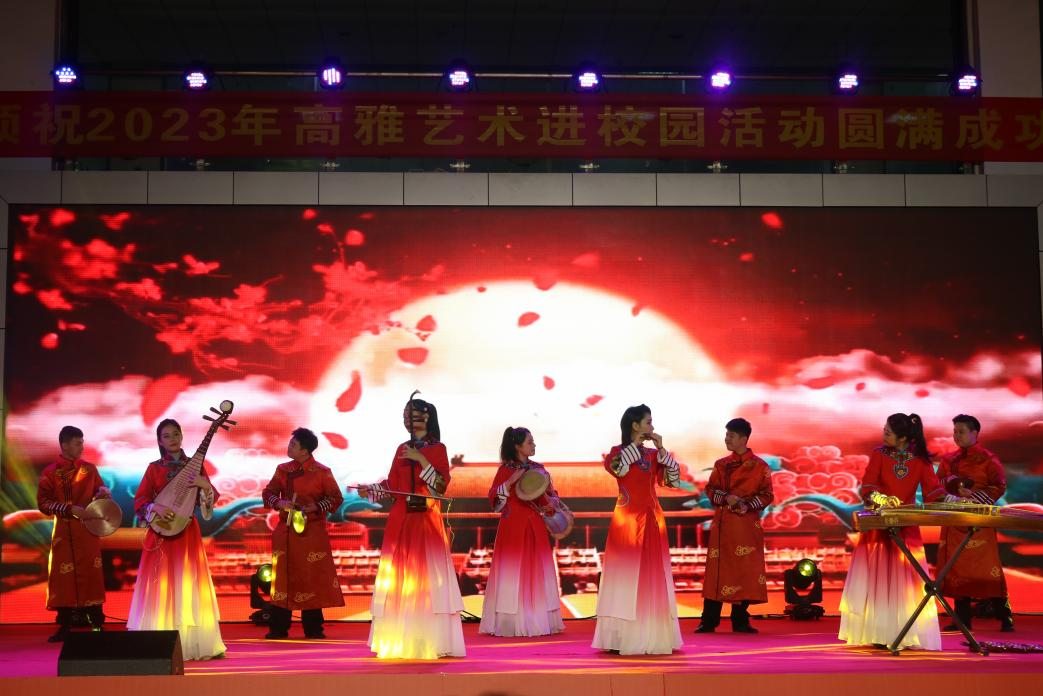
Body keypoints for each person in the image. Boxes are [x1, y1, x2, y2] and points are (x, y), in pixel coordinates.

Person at [359, 397, 465, 658]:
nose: (406, 419)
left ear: (426, 417)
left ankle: (428, 640)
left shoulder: (437, 448)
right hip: (400, 520)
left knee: (425, 578)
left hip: (425, 520)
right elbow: (394, 485)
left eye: (411, 414)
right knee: (399, 577)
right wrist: (372, 489)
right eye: (405, 414)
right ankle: (399, 639)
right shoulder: (401, 448)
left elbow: (440, 486)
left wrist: (421, 459)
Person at [838, 413, 945, 651]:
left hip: (906, 526)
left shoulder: (920, 460)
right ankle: (879, 632)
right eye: (884, 430)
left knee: (905, 581)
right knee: (879, 578)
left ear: (903, 437)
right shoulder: (879, 454)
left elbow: (933, 492)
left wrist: (954, 500)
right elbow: (868, 486)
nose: (883, 435)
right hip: (879, 525)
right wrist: (880, 498)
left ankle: (904, 632)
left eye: (888, 432)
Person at [126, 418, 226, 660]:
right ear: (160, 441)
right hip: (160, 534)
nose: (172, 439)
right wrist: (156, 508)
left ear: (182, 436)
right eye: (166, 436)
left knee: (186, 583)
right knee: (160, 585)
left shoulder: (195, 465)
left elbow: (208, 505)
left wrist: (204, 485)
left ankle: (190, 644)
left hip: (186, 533)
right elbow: (140, 500)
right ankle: (158, 642)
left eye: (176, 434)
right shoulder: (154, 468)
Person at [592, 404, 682, 655]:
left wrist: (661, 448)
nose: (652, 426)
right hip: (627, 521)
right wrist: (636, 445)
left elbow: (673, 481)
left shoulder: (653, 455)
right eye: (648, 421)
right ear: (635, 425)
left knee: (652, 576)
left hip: (652, 519)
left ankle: (652, 635)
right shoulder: (616, 453)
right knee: (624, 576)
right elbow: (619, 469)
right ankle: (621, 637)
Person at [479, 427, 564, 637]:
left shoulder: (539, 469)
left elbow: (551, 495)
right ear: (517, 446)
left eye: (533, 441)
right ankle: (510, 623)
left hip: (535, 525)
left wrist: (551, 504)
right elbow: (493, 499)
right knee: (512, 572)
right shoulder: (506, 470)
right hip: (512, 528)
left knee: (536, 571)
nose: (534, 445)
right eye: (529, 442)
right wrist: (510, 482)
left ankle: (537, 620)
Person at [262, 427, 345, 639]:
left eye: (294, 444)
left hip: (312, 532)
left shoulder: (322, 472)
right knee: (281, 578)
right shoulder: (282, 469)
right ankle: (278, 627)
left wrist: (315, 506)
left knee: (312, 578)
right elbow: (268, 492)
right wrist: (280, 502)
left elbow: (336, 498)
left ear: (305, 450)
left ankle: (314, 628)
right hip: (286, 531)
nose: (289, 446)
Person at [936, 414, 1014, 632]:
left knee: (987, 569)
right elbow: (936, 483)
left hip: (979, 521)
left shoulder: (988, 459)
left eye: (961, 431)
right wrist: (952, 487)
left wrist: (974, 499)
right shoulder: (948, 460)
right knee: (956, 568)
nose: (956, 435)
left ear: (974, 433)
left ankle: (1004, 615)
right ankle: (962, 619)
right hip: (954, 520)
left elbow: (998, 485)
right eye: (954, 431)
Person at [697, 418, 773, 634]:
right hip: (723, 526)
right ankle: (709, 620)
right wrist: (726, 497)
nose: (727, 439)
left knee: (744, 571)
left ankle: (740, 620)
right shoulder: (721, 464)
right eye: (726, 435)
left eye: (731, 436)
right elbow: (710, 489)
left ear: (743, 439)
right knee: (717, 571)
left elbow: (767, 495)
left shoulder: (760, 466)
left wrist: (747, 505)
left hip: (746, 526)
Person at [37, 426, 111, 642]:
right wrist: (68, 509)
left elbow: (100, 494)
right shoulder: (50, 472)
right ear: (65, 445)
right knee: (64, 579)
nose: (82, 447)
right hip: (64, 531)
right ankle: (65, 625)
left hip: (87, 530)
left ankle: (96, 622)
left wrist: (103, 493)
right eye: (78, 443)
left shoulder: (90, 469)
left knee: (92, 574)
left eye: (82, 442)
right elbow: (43, 503)